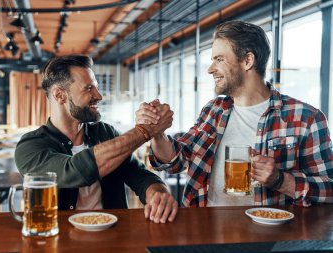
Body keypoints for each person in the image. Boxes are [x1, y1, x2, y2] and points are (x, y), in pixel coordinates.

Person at [136, 20, 333, 207]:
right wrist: (157, 133)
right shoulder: (214, 110)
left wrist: (280, 180)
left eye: (219, 59)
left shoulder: (306, 119)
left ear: (247, 60)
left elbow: (329, 189)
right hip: (207, 230)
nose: (210, 69)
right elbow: (178, 159)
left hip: (270, 237)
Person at [15, 55, 178, 223]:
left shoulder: (105, 132)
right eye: (89, 88)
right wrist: (145, 131)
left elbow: (140, 175)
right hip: (59, 239)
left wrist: (158, 193)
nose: (99, 96)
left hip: (114, 237)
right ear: (59, 95)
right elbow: (73, 170)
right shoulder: (30, 146)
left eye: (97, 88)